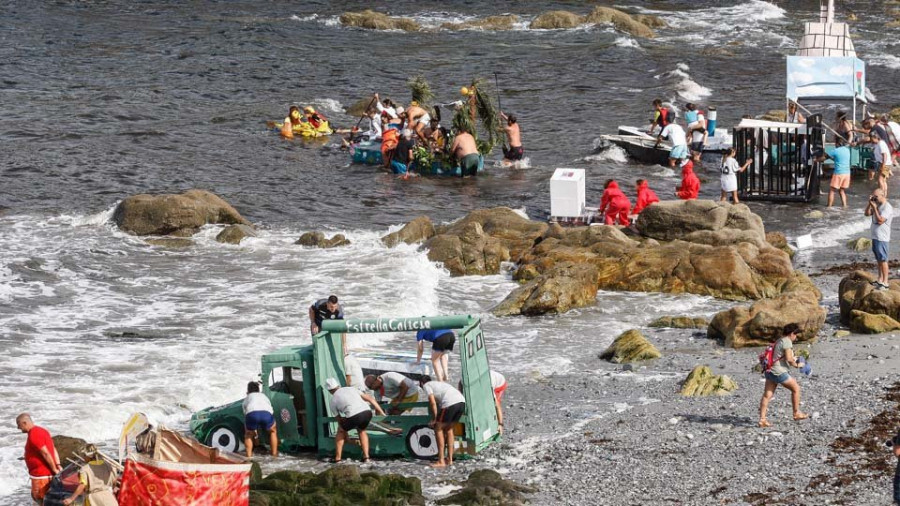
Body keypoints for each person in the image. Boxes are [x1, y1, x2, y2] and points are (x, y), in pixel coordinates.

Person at [758, 323, 809, 428]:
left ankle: (762, 419)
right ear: (791, 334)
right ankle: (796, 413)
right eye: (796, 334)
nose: (796, 337)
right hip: (779, 371)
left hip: (770, 370)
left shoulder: (779, 340)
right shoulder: (787, 342)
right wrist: (798, 365)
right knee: (796, 389)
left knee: (767, 395)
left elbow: (781, 355)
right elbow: (789, 359)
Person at [326, 377, 385, 463]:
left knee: (340, 431)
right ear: (338, 385)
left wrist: (347, 437)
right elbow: (370, 399)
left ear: (329, 391)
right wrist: (381, 412)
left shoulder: (333, 401)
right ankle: (366, 458)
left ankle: (337, 459)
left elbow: (340, 421)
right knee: (362, 431)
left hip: (354, 416)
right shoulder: (351, 389)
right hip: (367, 412)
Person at [420, 376, 465, 468]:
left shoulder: (426, 385)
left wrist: (435, 419)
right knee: (449, 430)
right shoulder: (439, 384)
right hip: (461, 402)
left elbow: (432, 403)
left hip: (450, 403)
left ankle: (441, 460)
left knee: (438, 428)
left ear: (421, 383)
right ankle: (450, 459)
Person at [17, 413, 61, 505]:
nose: (18, 428)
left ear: (24, 423)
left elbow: (46, 453)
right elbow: (53, 448)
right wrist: (58, 465)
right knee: (45, 498)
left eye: (19, 425)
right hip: (45, 474)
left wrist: (54, 469)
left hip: (41, 475)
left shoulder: (34, 435)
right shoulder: (42, 430)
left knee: (40, 498)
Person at [865, 188, 893, 290]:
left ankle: (885, 282)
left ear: (882, 195)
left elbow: (880, 220)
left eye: (876, 197)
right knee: (879, 260)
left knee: (883, 260)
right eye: (873, 196)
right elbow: (867, 214)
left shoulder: (887, 207)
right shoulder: (878, 205)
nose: (874, 198)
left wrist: (875, 208)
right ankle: (880, 279)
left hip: (882, 238)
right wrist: (870, 204)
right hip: (875, 236)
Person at [242, 381, 277, 458]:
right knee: (272, 431)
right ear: (258, 389)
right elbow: (271, 410)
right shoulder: (264, 396)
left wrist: (254, 432)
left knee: (248, 435)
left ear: (248, 391)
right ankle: (274, 455)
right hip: (266, 414)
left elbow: (246, 414)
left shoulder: (247, 398)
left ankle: (249, 457)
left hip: (252, 414)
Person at [873, 131, 895, 196]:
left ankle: (881, 195)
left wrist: (883, 165)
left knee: (880, 180)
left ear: (875, 138)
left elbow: (884, 155)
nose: (871, 140)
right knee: (883, 180)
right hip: (885, 164)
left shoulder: (881, 144)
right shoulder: (879, 143)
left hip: (885, 164)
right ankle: (884, 195)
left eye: (872, 138)